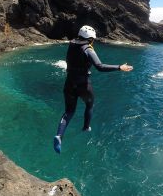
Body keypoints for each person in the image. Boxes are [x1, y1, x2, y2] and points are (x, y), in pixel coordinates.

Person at [53, 25, 133, 153]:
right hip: (83, 84)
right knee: (89, 105)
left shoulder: (72, 44)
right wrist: (119, 67)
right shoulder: (88, 49)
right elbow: (100, 66)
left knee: (69, 111)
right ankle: (86, 127)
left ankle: (59, 135)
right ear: (90, 39)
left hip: (69, 83)